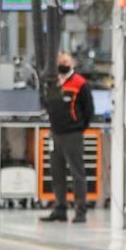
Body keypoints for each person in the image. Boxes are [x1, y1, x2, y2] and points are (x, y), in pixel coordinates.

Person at [41, 51, 94, 224]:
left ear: (72, 63)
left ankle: (80, 211)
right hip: (55, 134)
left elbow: (88, 111)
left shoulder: (80, 83)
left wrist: (78, 127)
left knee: (77, 173)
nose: (62, 63)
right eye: (60, 61)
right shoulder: (53, 82)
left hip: (73, 134)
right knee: (57, 173)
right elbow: (46, 103)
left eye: (65, 61)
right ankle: (60, 208)